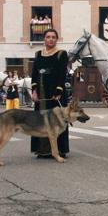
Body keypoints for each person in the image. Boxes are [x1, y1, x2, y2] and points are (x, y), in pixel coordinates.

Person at [31, 29, 70, 158]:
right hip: (41, 92)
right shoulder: (37, 54)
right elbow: (34, 74)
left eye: (53, 37)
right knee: (40, 121)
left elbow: (62, 73)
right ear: (44, 39)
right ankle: (42, 149)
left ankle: (60, 150)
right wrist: (34, 91)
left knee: (57, 120)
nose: (51, 39)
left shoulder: (61, 54)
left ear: (56, 39)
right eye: (48, 37)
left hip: (55, 92)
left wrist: (59, 91)